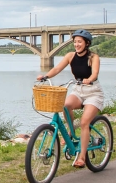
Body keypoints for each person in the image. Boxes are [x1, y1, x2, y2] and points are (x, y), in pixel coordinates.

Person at [37, 29, 104, 168]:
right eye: (75, 42)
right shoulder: (70, 56)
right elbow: (56, 69)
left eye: (80, 42)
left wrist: (89, 79)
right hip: (78, 90)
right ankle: (71, 131)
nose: (77, 44)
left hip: (93, 91)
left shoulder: (93, 57)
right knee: (65, 106)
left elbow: (95, 73)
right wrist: (46, 76)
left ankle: (82, 157)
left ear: (87, 43)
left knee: (85, 123)